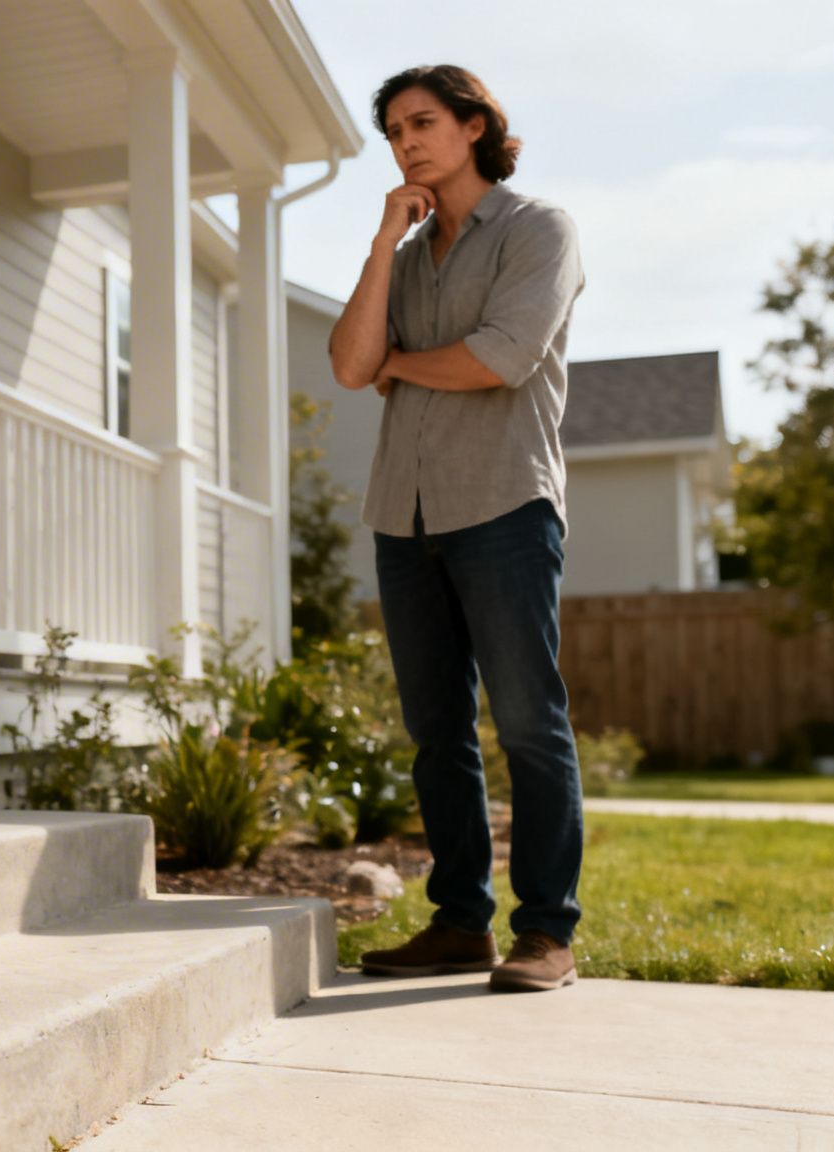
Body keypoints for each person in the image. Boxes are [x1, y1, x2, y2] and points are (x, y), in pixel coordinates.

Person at [327, 64, 586, 993]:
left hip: (505, 504)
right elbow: (354, 368)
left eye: (424, 122)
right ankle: (459, 923)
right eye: (394, 131)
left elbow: (501, 359)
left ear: (476, 126)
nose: (407, 143)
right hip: (405, 512)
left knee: (527, 723)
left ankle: (547, 932)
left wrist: (405, 361)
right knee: (436, 731)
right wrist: (381, 240)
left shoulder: (538, 230)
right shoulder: (400, 261)